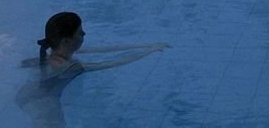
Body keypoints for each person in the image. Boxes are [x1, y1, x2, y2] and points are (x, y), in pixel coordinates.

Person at [15, 11, 168, 126]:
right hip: (43, 102)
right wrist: (149, 52)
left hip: (27, 94)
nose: (84, 34)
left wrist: (146, 46)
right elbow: (113, 63)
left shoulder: (57, 52)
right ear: (67, 40)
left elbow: (108, 49)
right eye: (80, 33)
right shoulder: (71, 66)